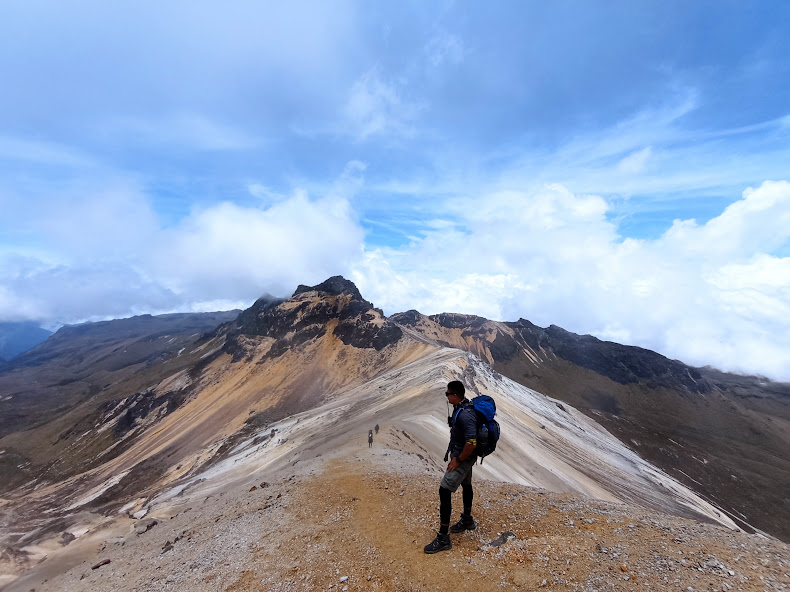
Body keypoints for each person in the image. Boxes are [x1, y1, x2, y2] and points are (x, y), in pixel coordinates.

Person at [424, 380, 478, 554]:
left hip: (464, 457)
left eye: (448, 394)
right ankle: (467, 520)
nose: (446, 396)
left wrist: (458, 460)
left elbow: (471, 442)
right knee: (466, 484)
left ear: (455, 395)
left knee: (444, 490)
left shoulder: (464, 414)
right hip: (464, 456)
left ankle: (443, 537)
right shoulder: (462, 408)